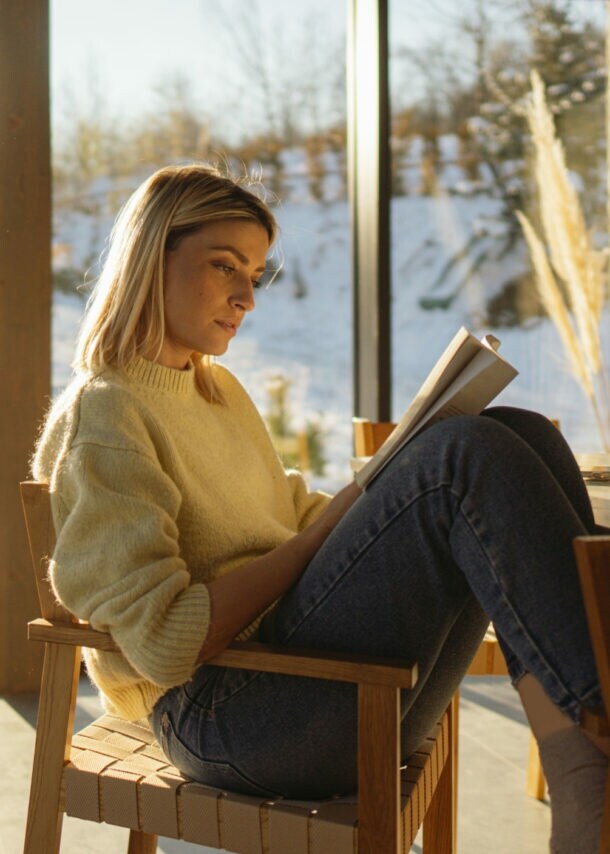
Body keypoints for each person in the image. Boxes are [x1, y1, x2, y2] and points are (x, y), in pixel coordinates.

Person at [32, 162, 608, 853]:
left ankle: (578, 754)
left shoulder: (217, 391)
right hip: (227, 720)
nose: (247, 297)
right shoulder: (106, 416)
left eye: (255, 274)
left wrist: (385, 483)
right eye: (225, 266)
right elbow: (161, 643)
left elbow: (289, 515)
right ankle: (591, 763)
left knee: (522, 430)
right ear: (152, 257)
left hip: (331, 686)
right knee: (463, 455)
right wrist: (332, 530)